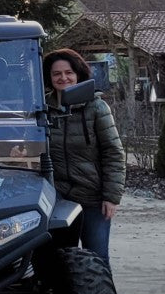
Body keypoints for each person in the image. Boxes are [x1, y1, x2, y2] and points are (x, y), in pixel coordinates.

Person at [43, 48, 125, 268]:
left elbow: (113, 152)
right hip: (57, 198)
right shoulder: (42, 110)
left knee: (96, 261)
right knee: (57, 260)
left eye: (68, 72)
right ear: (49, 78)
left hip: (92, 197)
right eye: (56, 73)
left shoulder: (96, 107)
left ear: (78, 73)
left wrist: (111, 196)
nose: (63, 78)